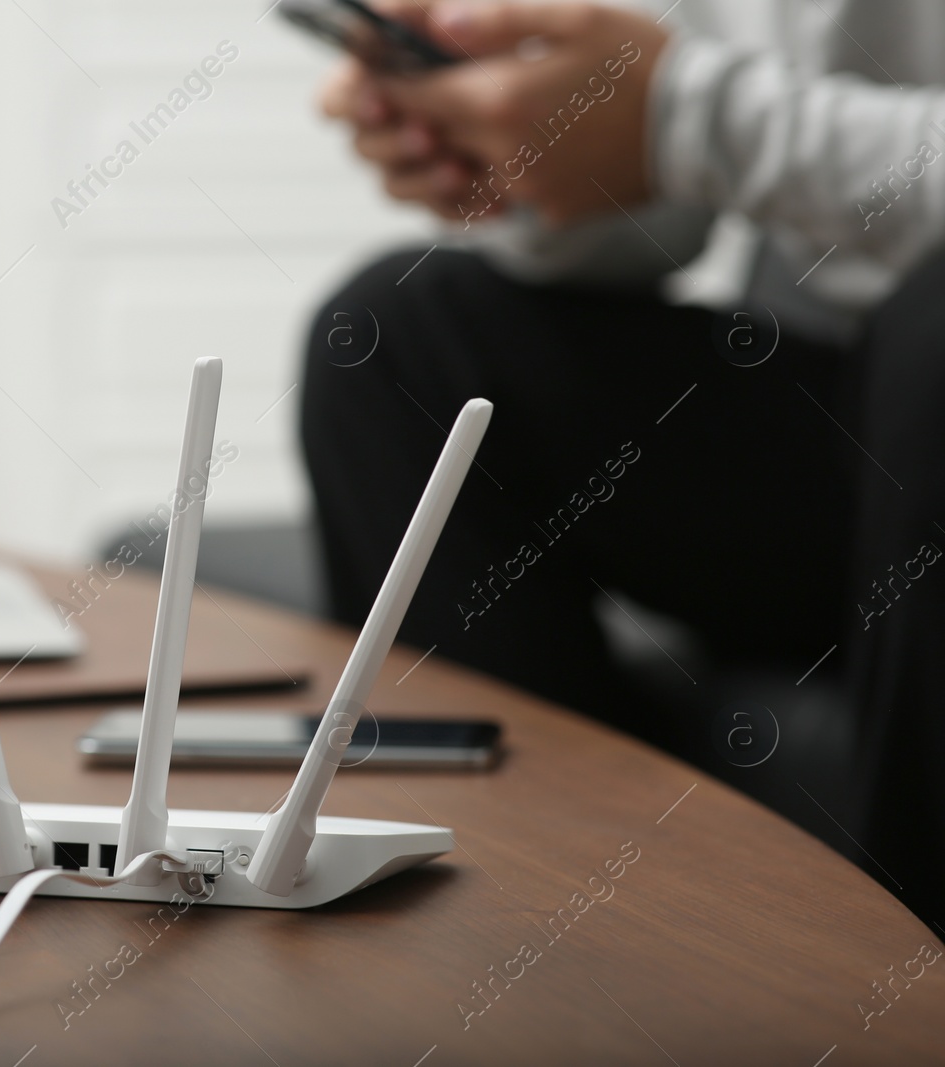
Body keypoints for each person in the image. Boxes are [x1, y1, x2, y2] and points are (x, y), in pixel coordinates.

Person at [302, 0, 944, 922]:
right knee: (398, 340)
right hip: (848, 432)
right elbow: (675, 206)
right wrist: (536, 156)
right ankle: (524, 941)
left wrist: (681, 113)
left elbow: (708, 119)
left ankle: (911, 1003)